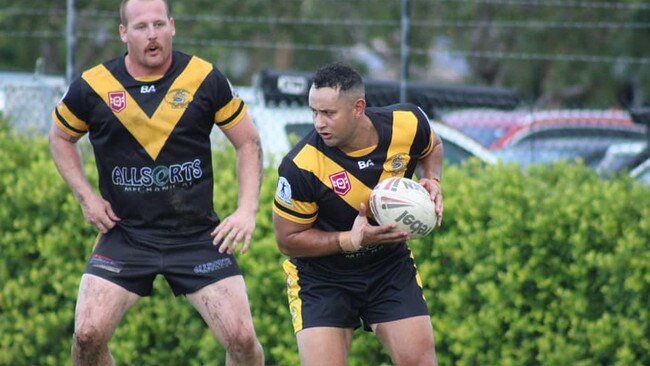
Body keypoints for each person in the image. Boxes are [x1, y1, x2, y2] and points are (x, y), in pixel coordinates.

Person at [49, 0, 264, 364]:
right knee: (87, 335)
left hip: (196, 235)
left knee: (241, 339)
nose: (152, 35)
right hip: (126, 234)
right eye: (141, 27)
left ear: (172, 26)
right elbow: (59, 137)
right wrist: (86, 197)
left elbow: (248, 142)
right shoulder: (94, 85)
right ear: (123, 33)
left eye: (159, 25)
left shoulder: (203, 77)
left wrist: (246, 210)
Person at [272, 62, 443, 366]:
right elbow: (287, 240)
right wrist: (349, 240)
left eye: (328, 114)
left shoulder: (408, 123)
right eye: (314, 112)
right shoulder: (301, 165)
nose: (318, 123)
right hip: (322, 278)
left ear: (358, 107)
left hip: (388, 266)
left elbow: (433, 145)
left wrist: (432, 179)